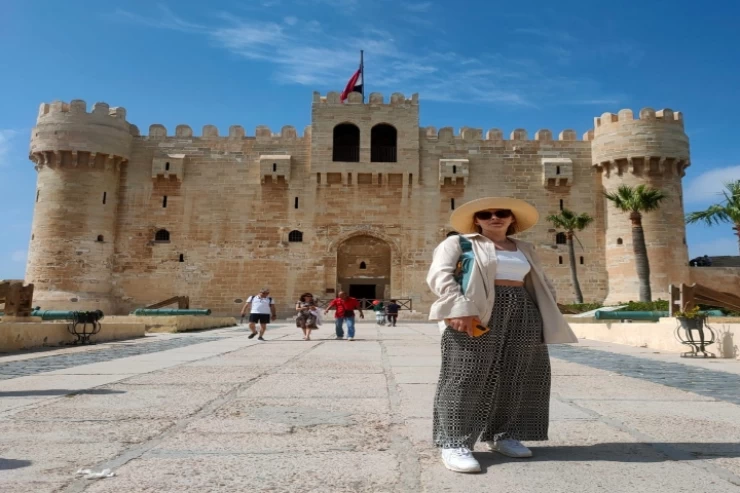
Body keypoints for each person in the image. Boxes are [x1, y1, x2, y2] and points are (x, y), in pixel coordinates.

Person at [426, 197, 578, 474]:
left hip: (522, 310)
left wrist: (547, 308)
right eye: (486, 214)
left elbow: (539, 281)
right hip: (477, 311)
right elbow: (440, 275)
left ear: (511, 219)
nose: (494, 217)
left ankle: (503, 435)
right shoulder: (459, 243)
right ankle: (454, 442)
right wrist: (459, 307)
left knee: (518, 374)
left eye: (501, 213)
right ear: (477, 220)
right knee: (464, 375)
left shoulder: (524, 248)